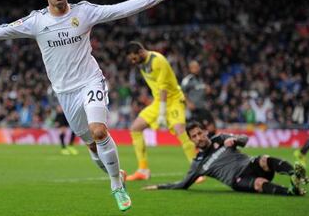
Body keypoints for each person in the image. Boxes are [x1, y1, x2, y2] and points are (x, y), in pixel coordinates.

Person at [0, 0, 182, 211]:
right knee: (92, 146)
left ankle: (116, 185)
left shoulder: (84, 12)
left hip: (90, 82)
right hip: (65, 92)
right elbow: (2, 30)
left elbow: (121, 9)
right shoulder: (36, 21)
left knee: (98, 130)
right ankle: (117, 172)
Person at [143, 121, 309, 196]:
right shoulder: (198, 164)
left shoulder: (221, 138)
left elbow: (245, 139)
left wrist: (235, 140)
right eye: (194, 136)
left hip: (249, 164)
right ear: (191, 140)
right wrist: (158, 186)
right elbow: (182, 184)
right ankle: (291, 192)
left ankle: (297, 174)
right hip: (237, 180)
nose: (199, 137)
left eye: (200, 133)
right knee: (258, 183)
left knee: (264, 159)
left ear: (205, 132)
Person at [125, 41, 196, 181]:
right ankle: (143, 169)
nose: (133, 62)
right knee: (135, 128)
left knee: (180, 129)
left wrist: (162, 113)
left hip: (173, 99)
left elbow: (163, 88)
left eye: (134, 58)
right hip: (158, 101)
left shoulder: (159, 61)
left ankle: (196, 168)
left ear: (140, 52)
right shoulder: (142, 64)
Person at [181, 60, 216, 136]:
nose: (197, 69)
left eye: (197, 67)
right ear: (190, 69)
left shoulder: (201, 79)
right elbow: (182, 93)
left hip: (203, 107)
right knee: (197, 130)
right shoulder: (187, 80)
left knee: (211, 128)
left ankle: (210, 145)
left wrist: (207, 90)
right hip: (194, 110)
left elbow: (204, 91)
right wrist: (188, 103)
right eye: (194, 67)